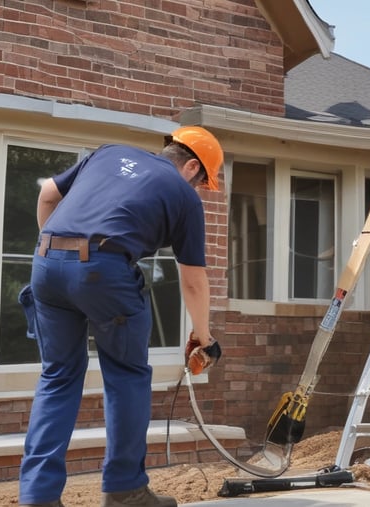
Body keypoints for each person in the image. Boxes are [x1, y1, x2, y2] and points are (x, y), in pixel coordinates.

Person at [18, 126, 224, 507]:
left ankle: (38, 496)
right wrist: (204, 336)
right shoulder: (183, 196)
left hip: (46, 261)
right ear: (192, 166)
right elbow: (193, 281)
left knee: (58, 375)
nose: (198, 192)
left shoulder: (108, 153)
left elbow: (48, 193)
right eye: (201, 183)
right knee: (126, 375)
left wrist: (59, 254)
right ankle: (125, 490)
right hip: (103, 270)